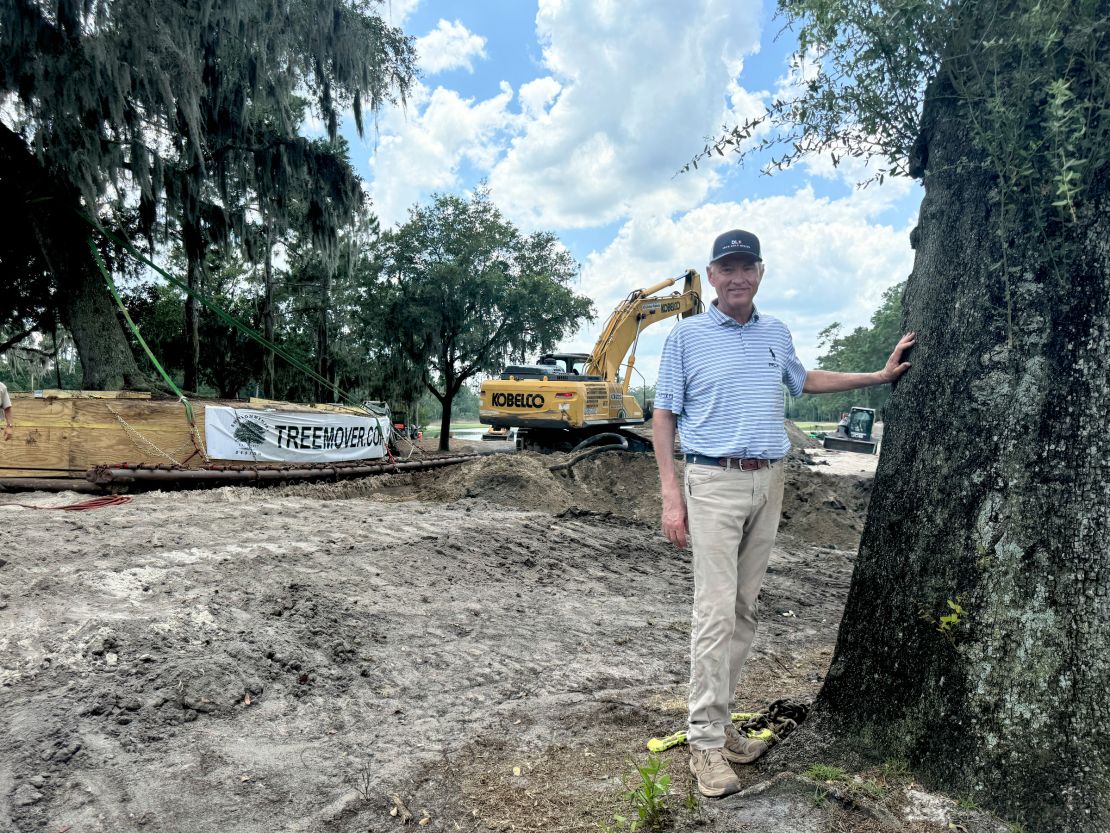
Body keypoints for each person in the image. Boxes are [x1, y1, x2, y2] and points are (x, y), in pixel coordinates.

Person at [652, 229, 915, 798]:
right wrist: (672, 498)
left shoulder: (776, 333)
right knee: (716, 613)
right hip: (712, 481)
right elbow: (664, 417)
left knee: (744, 611)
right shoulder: (686, 337)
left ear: (761, 273)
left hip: (769, 482)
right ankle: (702, 744)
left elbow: (805, 379)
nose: (738, 276)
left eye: (748, 267)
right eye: (728, 268)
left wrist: (879, 375)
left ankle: (722, 730)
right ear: (713, 276)